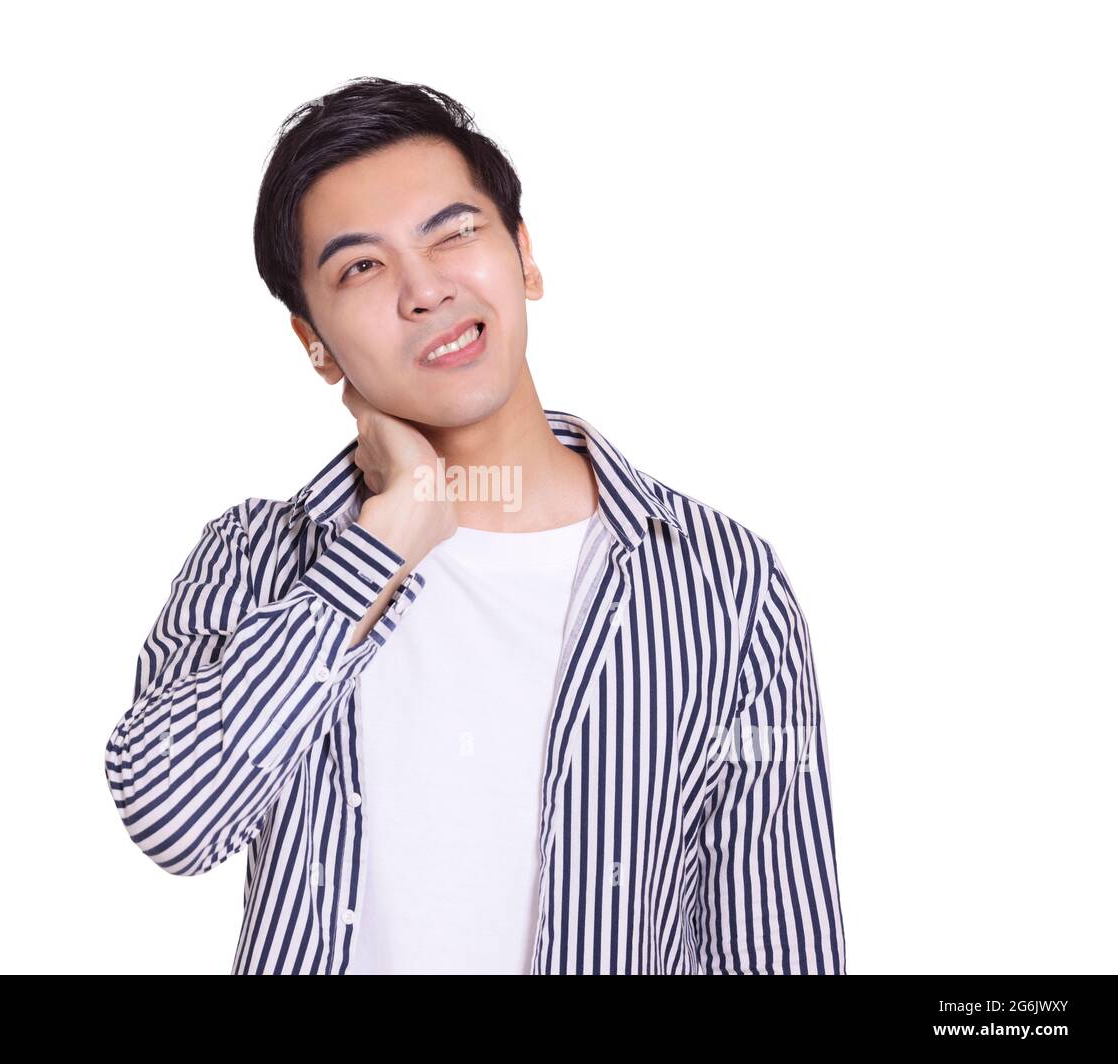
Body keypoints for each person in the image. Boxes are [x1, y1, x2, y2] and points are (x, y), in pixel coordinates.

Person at [103, 76, 846, 975]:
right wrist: (380, 547)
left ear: (525, 256)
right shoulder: (253, 557)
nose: (425, 291)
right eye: (361, 268)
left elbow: (775, 942)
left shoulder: (722, 585)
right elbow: (173, 816)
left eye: (454, 233)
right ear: (314, 343)